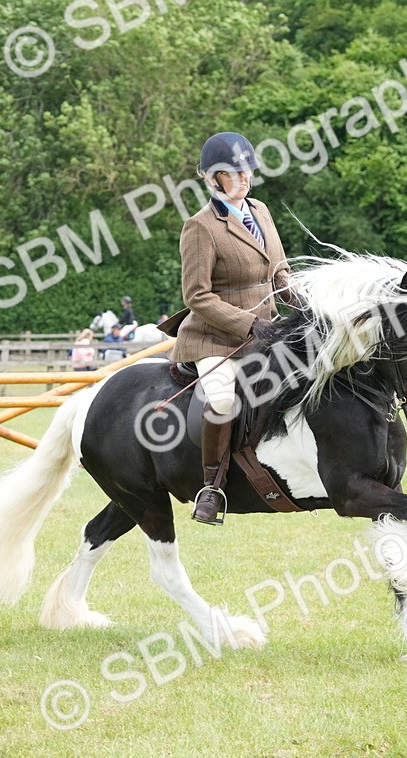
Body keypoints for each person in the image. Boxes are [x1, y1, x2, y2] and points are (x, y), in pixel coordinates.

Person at [168, 131, 292, 525]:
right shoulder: (200, 226)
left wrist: (305, 304)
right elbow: (198, 296)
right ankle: (211, 487)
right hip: (215, 338)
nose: (244, 178)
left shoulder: (262, 211)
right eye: (233, 172)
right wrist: (249, 324)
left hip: (267, 330)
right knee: (222, 399)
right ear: (212, 178)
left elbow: (280, 273)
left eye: (247, 170)